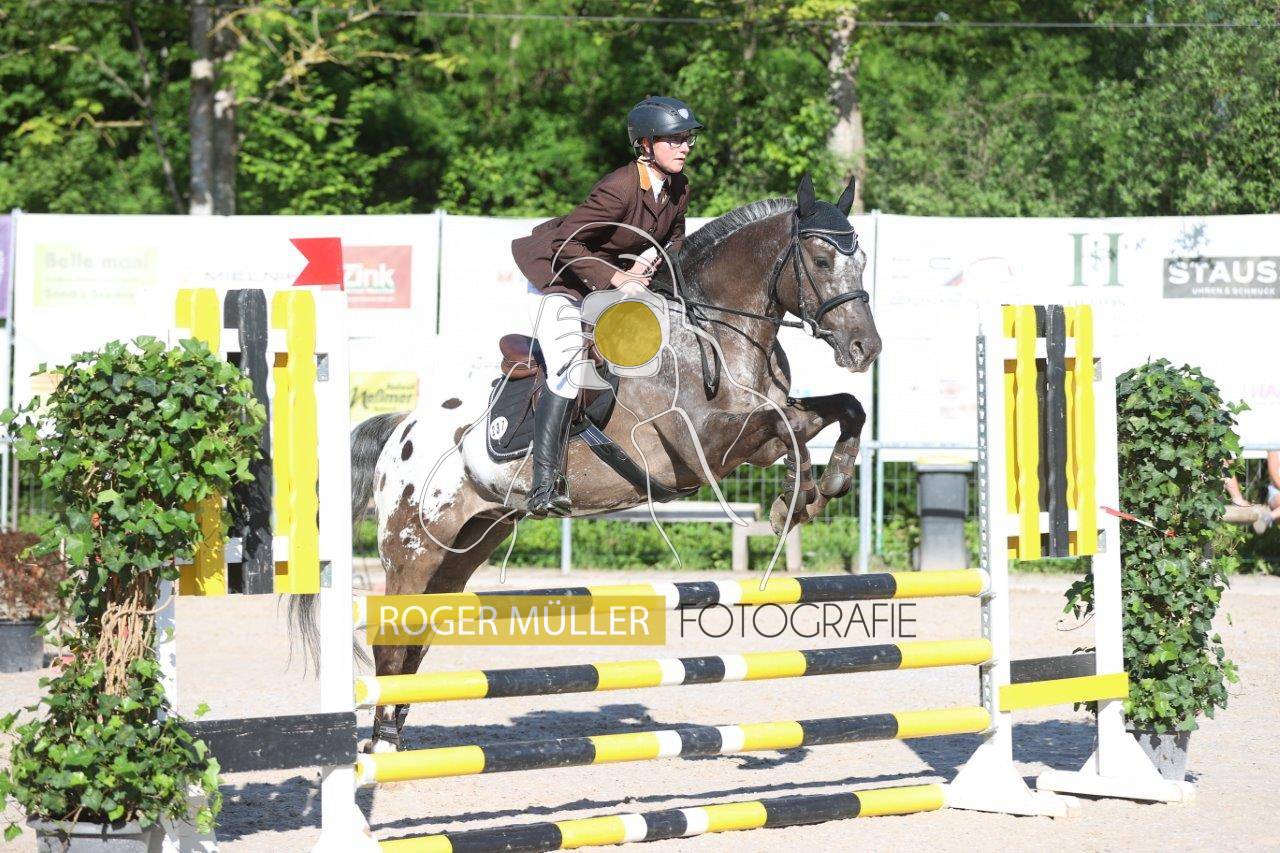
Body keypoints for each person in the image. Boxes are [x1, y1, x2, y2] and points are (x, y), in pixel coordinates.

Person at [510, 96, 703, 518]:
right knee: (567, 364)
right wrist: (620, 278)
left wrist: (645, 261)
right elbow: (566, 244)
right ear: (646, 145)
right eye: (674, 140)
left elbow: (674, 239)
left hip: (610, 280)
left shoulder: (679, 187)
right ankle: (543, 484)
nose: (685, 147)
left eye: (687, 138)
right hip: (558, 279)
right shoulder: (619, 187)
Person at [1223, 450, 1280, 534]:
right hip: (1277, 492)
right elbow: (1274, 475)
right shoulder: (1275, 446)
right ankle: (1268, 517)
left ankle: (1268, 517)